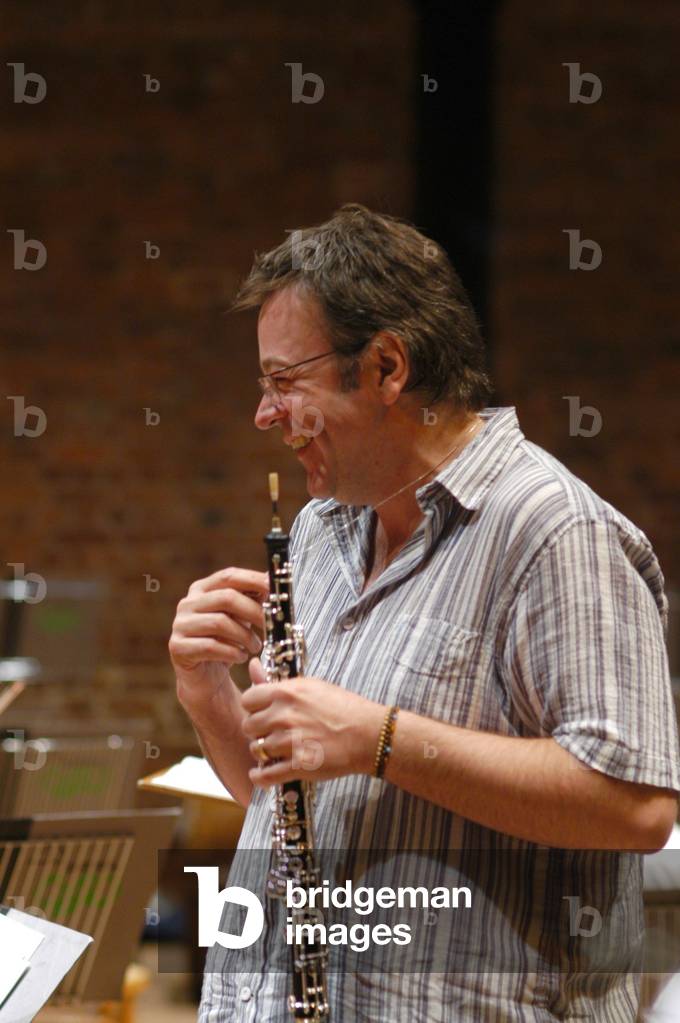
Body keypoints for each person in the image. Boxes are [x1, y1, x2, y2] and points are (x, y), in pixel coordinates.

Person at [169, 204, 680, 1022]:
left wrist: (380, 739)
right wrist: (208, 694)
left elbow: (636, 805)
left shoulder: (553, 529)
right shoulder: (322, 527)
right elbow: (289, 801)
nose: (265, 416)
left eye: (283, 382)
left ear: (386, 367)